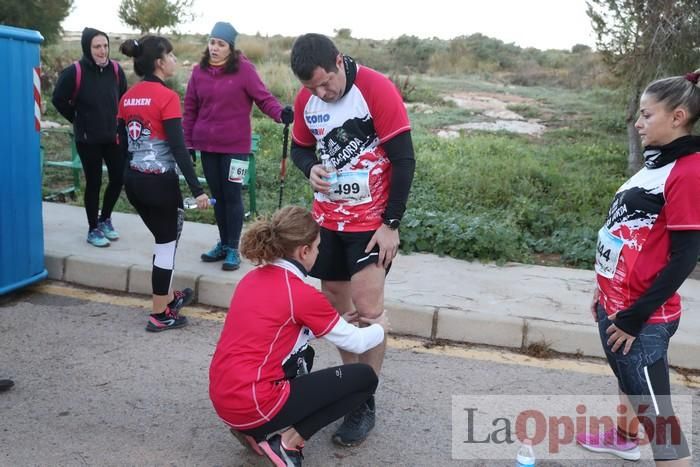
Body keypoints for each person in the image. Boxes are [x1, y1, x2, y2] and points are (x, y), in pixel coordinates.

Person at [288, 33, 415, 447]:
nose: (321, 93)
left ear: (339, 62)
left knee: (369, 310)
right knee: (338, 311)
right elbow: (301, 150)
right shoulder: (308, 100)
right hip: (327, 223)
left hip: (370, 225)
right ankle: (350, 386)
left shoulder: (375, 89)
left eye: (326, 83)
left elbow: (404, 159)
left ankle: (364, 399)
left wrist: (391, 224)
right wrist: (309, 170)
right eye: (312, 88)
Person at [576, 71, 700, 466]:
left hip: (641, 318)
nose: (638, 122)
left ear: (678, 116)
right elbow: (632, 233)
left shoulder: (688, 171)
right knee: (631, 385)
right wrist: (604, 285)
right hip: (619, 303)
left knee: (662, 427)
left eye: (647, 115)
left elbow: (685, 256)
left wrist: (633, 318)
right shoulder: (658, 164)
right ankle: (624, 437)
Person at [209, 206, 388, 467]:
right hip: (254, 404)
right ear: (304, 251)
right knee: (364, 378)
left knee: (305, 354)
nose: (318, 253)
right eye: (317, 247)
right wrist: (381, 326)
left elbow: (272, 332)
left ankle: (252, 431)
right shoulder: (300, 293)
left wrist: (333, 323)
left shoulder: (252, 278)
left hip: (223, 398)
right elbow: (356, 342)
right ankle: (287, 442)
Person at [117, 36, 210, 332]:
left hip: (133, 181)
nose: (173, 60)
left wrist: (125, 180)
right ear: (159, 62)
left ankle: (167, 296)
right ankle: (160, 313)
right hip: (159, 183)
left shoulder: (128, 97)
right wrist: (198, 190)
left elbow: (122, 146)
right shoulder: (166, 97)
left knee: (163, 240)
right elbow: (179, 149)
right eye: (170, 55)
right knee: (166, 246)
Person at [183, 21, 294, 271]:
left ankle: (234, 248)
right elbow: (189, 109)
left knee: (233, 195)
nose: (214, 48)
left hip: (236, 148)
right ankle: (223, 244)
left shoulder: (244, 70)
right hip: (207, 147)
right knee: (219, 196)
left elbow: (264, 99)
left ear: (231, 48)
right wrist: (188, 143)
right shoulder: (199, 72)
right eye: (212, 42)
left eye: (220, 44)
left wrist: (280, 114)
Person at [52, 27, 128, 248]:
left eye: (105, 46)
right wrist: (77, 119)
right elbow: (58, 99)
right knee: (93, 183)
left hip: (112, 136)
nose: (102, 51)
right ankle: (92, 228)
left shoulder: (115, 70)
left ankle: (105, 219)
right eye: (97, 46)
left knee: (118, 178)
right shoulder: (74, 72)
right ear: (88, 48)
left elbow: (122, 98)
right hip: (88, 139)